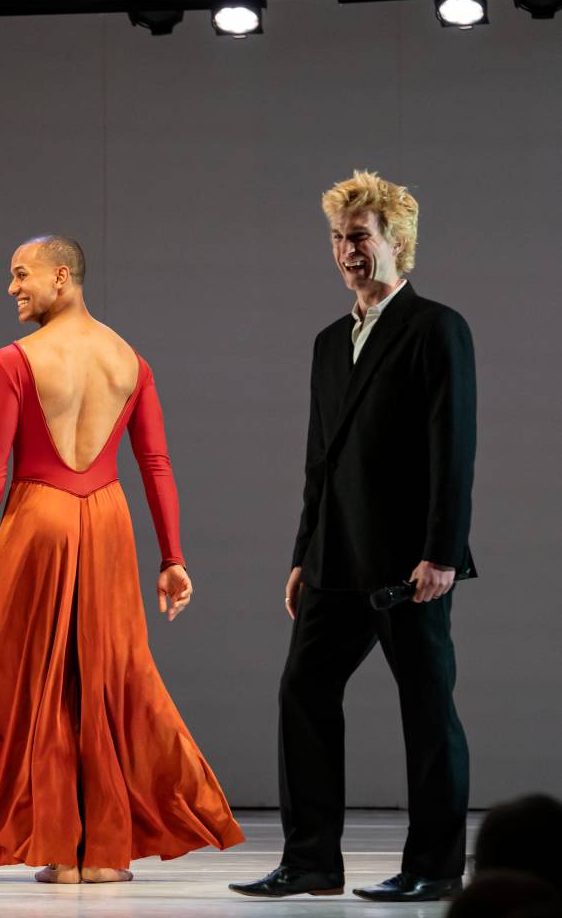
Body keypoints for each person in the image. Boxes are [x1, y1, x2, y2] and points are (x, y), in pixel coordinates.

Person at [0, 236, 244, 884]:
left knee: (44, 680)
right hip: (110, 520)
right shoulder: (130, 361)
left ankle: (63, 852)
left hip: (39, 518)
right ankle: (106, 855)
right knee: (107, 677)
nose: (12, 288)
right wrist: (173, 555)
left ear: (62, 277)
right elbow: (156, 463)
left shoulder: (15, 360)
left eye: (20, 274)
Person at [230, 171, 476, 902]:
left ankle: (432, 868)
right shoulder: (329, 342)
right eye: (339, 238)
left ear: (397, 241)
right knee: (303, 692)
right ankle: (310, 862)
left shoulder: (437, 328)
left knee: (427, 708)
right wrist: (303, 553)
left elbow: (453, 447)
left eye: (360, 237)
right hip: (335, 559)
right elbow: (321, 457)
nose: (347, 251)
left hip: (409, 562)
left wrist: (442, 553)